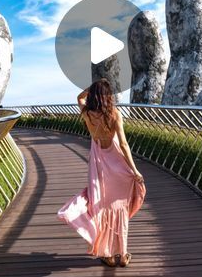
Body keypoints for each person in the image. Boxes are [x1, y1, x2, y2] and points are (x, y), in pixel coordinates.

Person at [57, 78, 146, 267]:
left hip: (99, 165)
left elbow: (79, 97)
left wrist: (93, 87)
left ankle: (108, 254)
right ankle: (122, 254)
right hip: (117, 164)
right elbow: (123, 144)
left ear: (94, 95)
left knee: (101, 206)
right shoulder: (114, 114)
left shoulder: (87, 113)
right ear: (107, 96)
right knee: (119, 208)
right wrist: (134, 170)